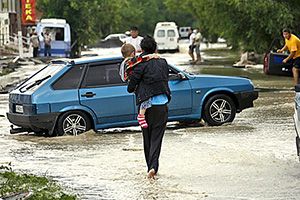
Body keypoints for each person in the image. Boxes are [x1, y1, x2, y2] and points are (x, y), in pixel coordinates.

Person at [127, 36, 171, 179]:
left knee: (147, 139)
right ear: (155, 48)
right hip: (162, 106)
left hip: (145, 108)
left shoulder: (140, 64)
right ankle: (153, 167)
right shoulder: (163, 62)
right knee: (156, 139)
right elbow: (165, 77)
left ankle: (149, 168)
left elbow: (131, 86)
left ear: (143, 49)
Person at [120, 43, 159, 128]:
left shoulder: (123, 63)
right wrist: (152, 56)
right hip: (134, 83)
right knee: (146, 97)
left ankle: (142, 114)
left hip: (130, 82)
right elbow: (142, 59)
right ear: (133, 53)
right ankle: (141, 115)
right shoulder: (130, 61)